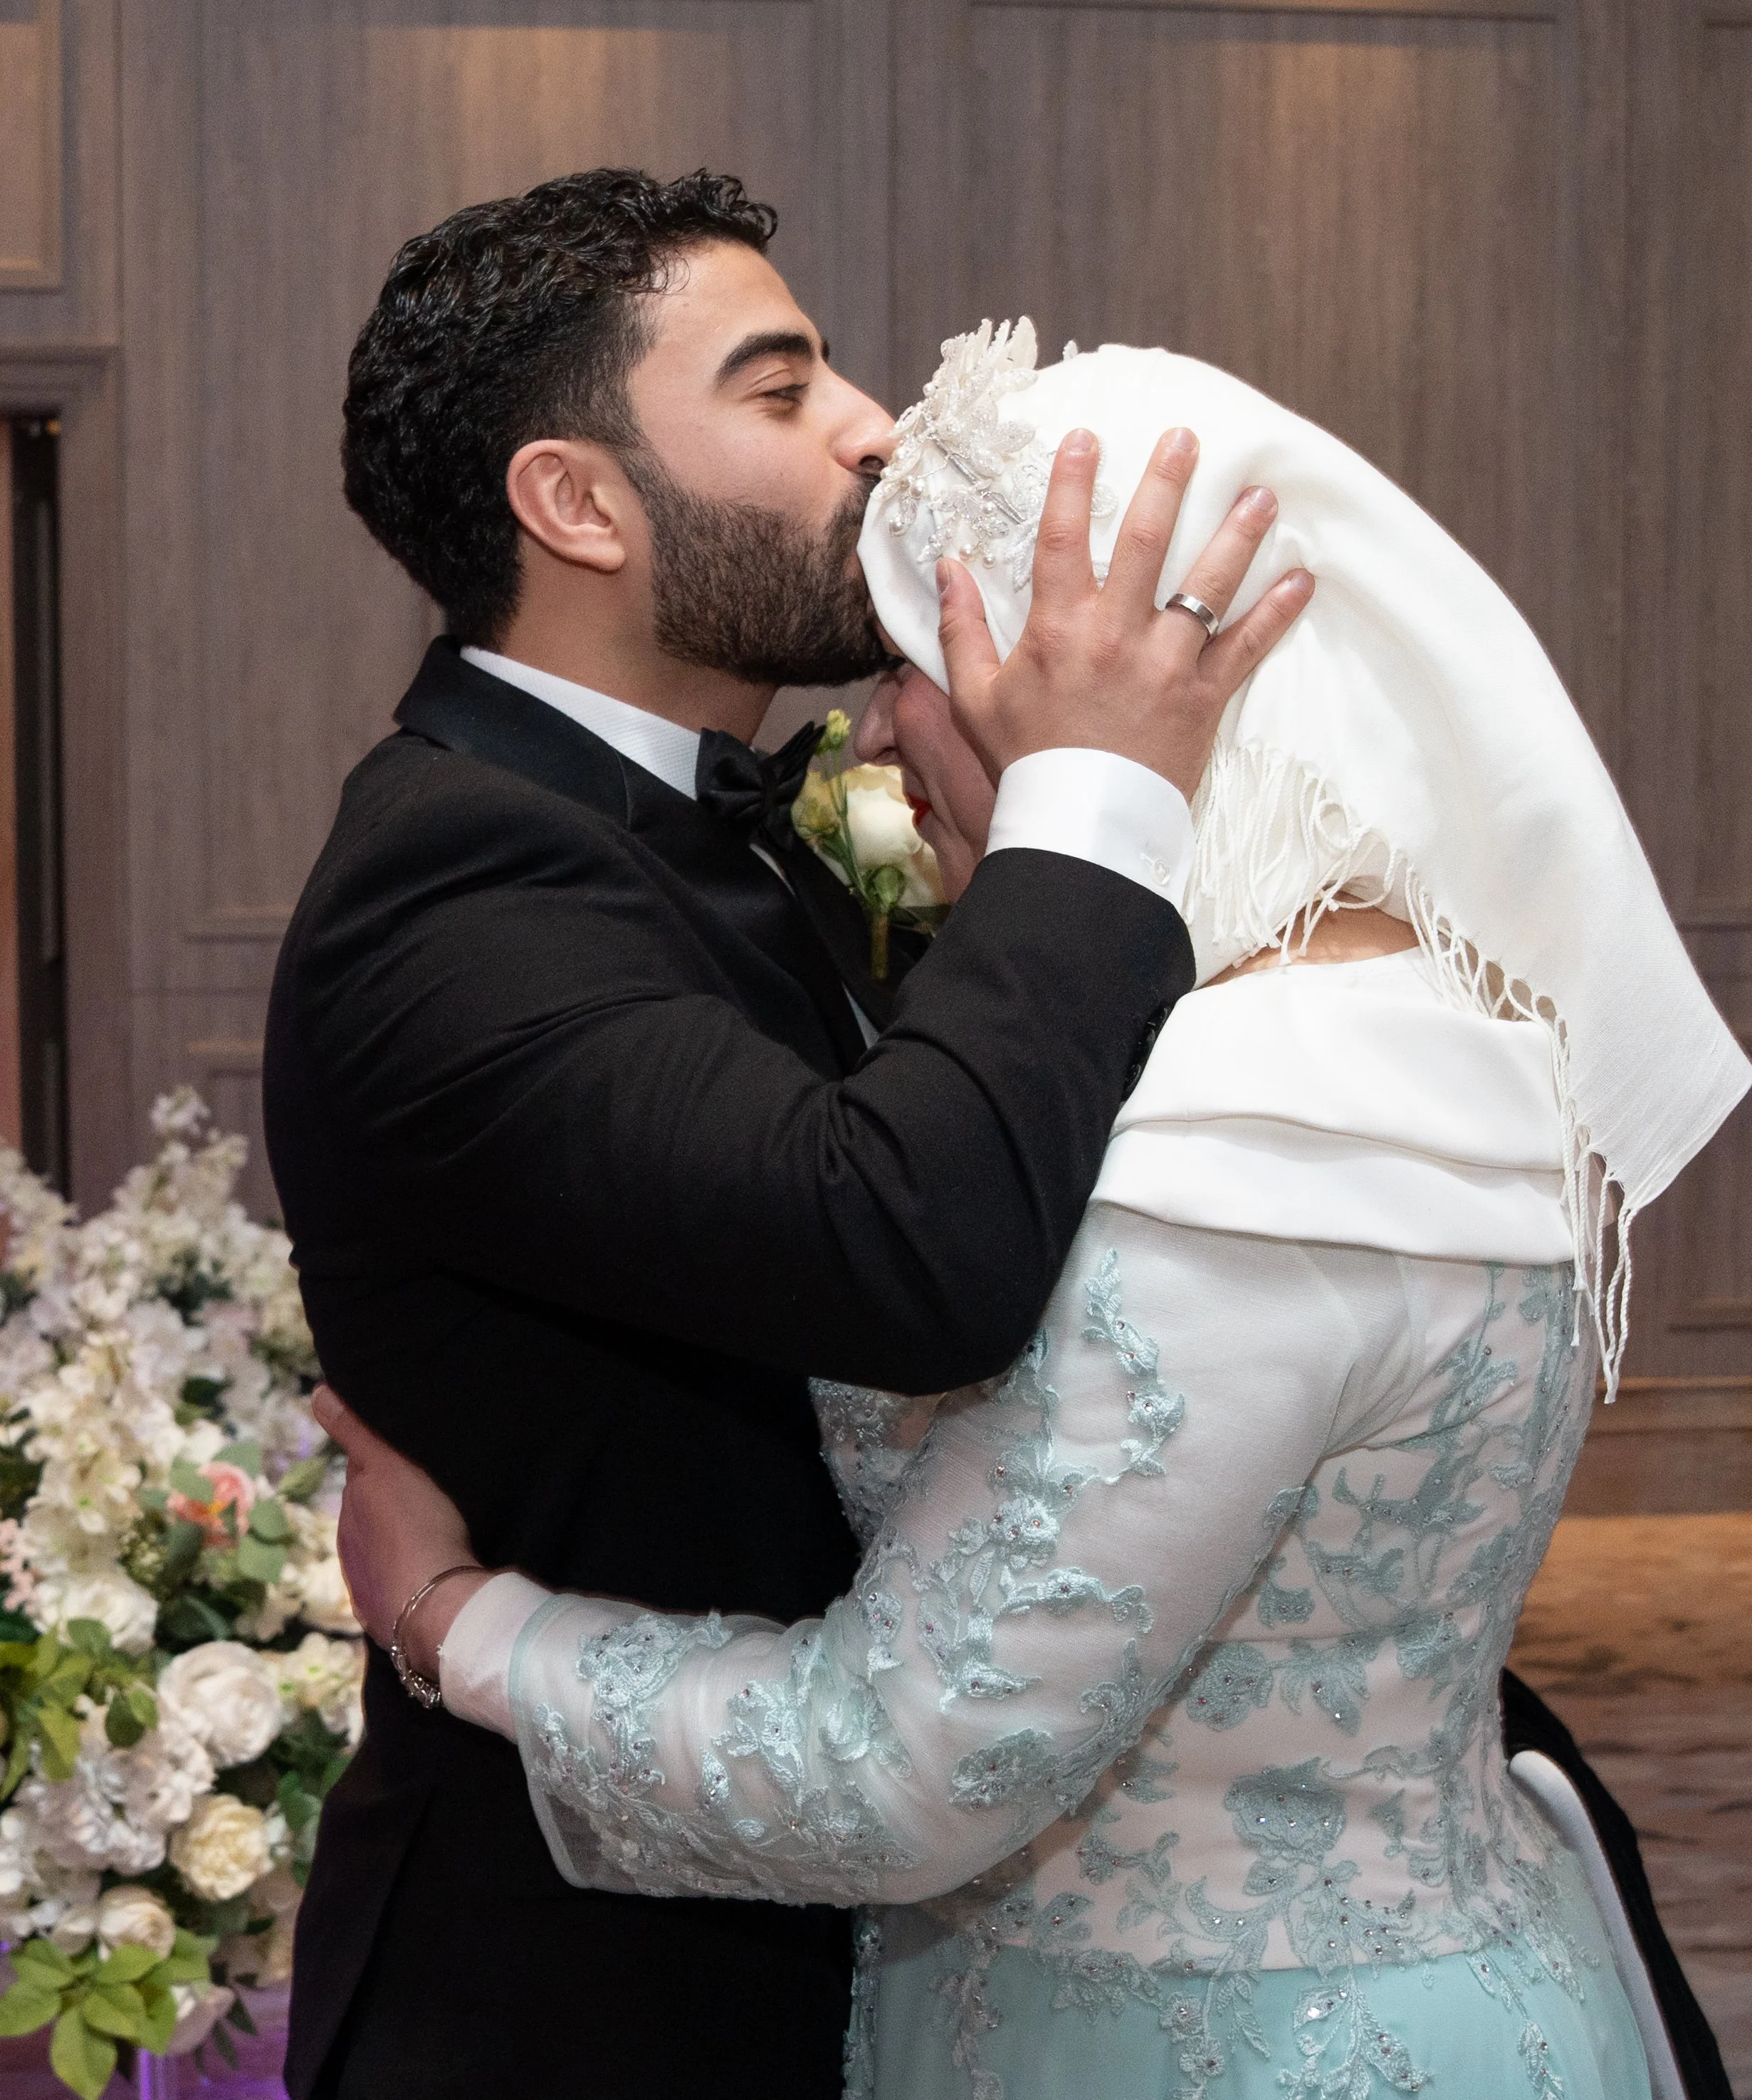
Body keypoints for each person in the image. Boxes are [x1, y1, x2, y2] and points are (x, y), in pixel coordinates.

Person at [315, 328, 1749, 2099]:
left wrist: (456, 1613)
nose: (876, 722)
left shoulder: (1254, 1122)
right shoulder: (1437, 1033)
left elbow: (896, 1761)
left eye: (920, 660)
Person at [262, 176, 1315, 2100]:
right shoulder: (451, 881)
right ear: (575, 504)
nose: (872, 428)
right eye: (780, 388)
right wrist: (1097, 799)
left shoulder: (710, 824)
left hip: (829, 1878)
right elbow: (904, 1253)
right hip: (582, 1993)